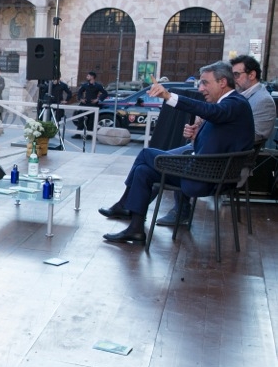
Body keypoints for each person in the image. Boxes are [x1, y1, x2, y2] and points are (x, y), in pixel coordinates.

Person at [98, 61, 254, 244]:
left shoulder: (235, 103)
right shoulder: (230, 105)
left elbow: (211, 112)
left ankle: (124, 205)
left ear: (222, 82)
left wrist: (168, 96)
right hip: (205, 173)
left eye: (205, 83)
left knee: (146, 154)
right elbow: (220, 137)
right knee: (143, 171)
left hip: (205, 179)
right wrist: (196, 136)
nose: (201, 88)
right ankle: (135, 229)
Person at [229, 55, 274, 145]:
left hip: (236, 151)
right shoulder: (238, 94)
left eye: (236, 75)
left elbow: (256, 135)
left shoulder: (263, 100)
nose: (233, 79)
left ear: (251, 75)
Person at [74, 71, 108, 137]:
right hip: (85, 104)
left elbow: (105, 93)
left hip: (93, 104)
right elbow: (79, 92)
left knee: (91, 120)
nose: (87, 77)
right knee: (81, 118)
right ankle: (78, 134)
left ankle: (89, 135)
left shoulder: (98, 86)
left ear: (92, 77)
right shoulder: (85, 85)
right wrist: (81, 99)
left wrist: (98, 99)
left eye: (88, 76)